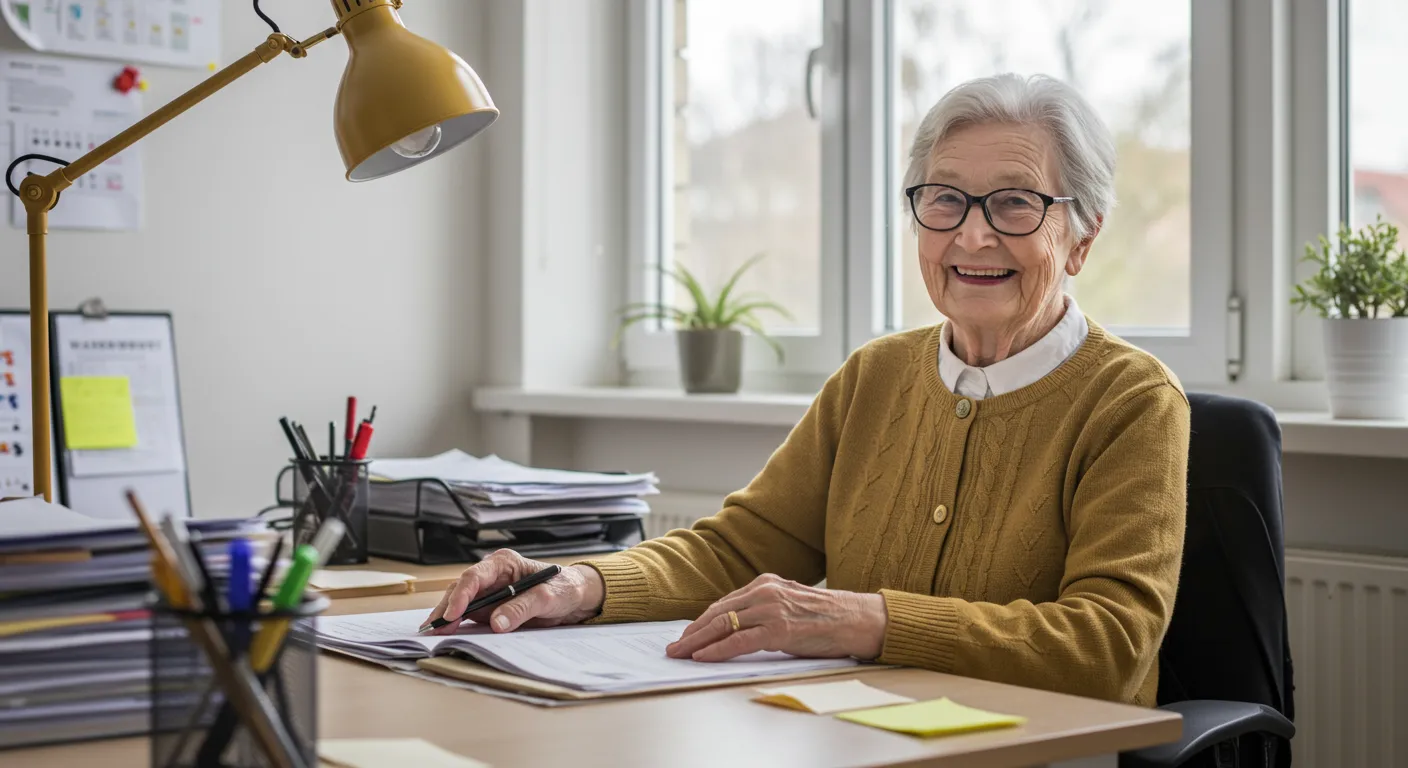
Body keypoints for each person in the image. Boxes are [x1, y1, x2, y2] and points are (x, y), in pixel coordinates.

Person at [425, 73, 1190, 706]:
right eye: (944, 199)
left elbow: (1108, 647)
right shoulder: (875, 376)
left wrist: (866, 619)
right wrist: (579, 584)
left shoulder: (1131, 399)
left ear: (1082, 236)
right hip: (858, 735)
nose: (972, 236)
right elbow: (735, 548)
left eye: (1017, 203)